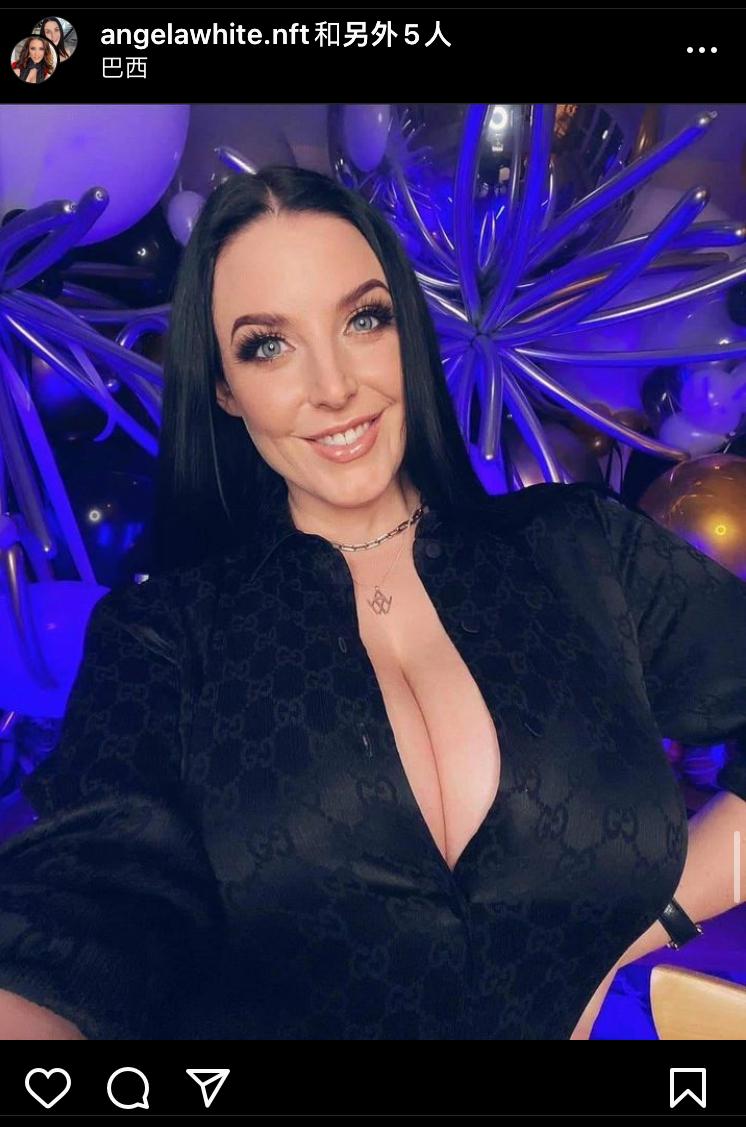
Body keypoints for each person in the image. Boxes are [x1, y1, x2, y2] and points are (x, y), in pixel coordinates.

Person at [0, 165, 745, 1040]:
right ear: (224, 387)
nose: (334, 386)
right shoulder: (162, 637)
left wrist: (644, 925)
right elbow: (81, 913)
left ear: (407, 333)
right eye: (267, 344)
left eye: (363, 319)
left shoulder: (583, 548)